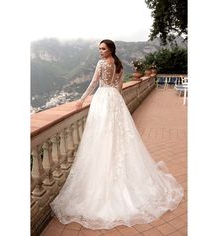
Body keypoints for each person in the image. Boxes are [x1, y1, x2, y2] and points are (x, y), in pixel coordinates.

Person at [50, 39, 184, 230]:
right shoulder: (119, 65)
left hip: (103, 100)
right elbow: (119, 88)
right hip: (115, 101)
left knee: (101, 135)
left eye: (103, 48)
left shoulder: (102, 63)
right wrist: (115, 101)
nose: (100, 51)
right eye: (99, 49)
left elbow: (94, 82)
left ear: (110, 49)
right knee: (117, 136)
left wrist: (81, 100)